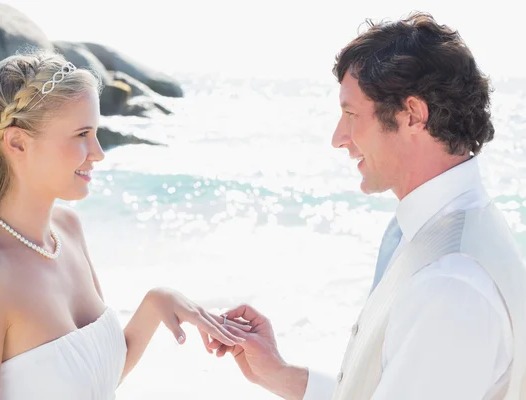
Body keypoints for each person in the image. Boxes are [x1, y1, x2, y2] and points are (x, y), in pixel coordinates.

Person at [206, 12, 526, 400]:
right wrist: (282, 375)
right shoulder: (438, 233)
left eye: (351, 114)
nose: (338, 138)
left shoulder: (451, 282)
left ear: (412, 115)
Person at [0, 50, 248, 400]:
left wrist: (157, 303)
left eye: (95, 132)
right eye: (82, 133)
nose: (98, 152)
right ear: (18, 142)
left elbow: (91, 380)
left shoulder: (67, 229)